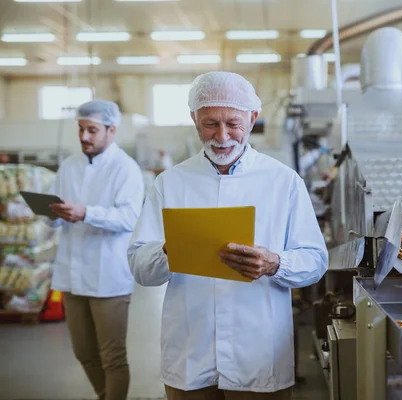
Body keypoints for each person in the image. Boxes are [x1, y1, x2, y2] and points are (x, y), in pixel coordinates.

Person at [128, 71, 328, 400]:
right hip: (190, 351)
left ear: (253, 117)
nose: (222, 136)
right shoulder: (171, 183)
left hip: (259, 351)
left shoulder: (283, 182)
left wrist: (275, 263)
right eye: (210, 123)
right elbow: (139, 266)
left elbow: (316, 260)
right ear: (194, 118)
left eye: (233, 123)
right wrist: (170, 249)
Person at [47, 100, 145, 400]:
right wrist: (52, 214)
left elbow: (129, 218)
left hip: (108, 277)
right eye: (81, 129)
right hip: (72, 274)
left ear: (111, 130)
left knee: (112, 356)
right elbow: (56, 214)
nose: (84, 137)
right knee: (83, 352)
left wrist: (86, 213)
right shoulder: (70, 165)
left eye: (92, 130)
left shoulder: (126, 168)